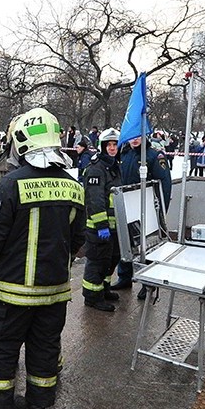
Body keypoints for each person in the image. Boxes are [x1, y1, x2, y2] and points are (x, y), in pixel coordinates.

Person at [0, 107, 85, 409]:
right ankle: (37, 408)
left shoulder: (11, 184)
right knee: (44, 347)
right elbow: (78, 241)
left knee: (0, 347)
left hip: (12, 295)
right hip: (56, 293)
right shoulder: (74, 187)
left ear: (20, 141)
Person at [112, 133, 172, 299]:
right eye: (132, 135)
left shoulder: (154, 156)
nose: (134, 139)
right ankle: (124, 277)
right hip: (126, 205)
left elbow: (164, 185)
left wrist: (160, 212)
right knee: (126, 243)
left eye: (138, 135)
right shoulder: (124, 153)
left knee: (147, 246)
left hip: (146, 208)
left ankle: (148, 283)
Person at [81, 128, 121, 311]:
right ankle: (92, 296)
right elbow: (95, 201)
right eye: (109, 145)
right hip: (99, 227)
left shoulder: (113, 166)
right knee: (97, 262)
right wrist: (102, 226)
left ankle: (103, 289)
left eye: (115, 145)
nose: (112, 148)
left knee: (110, 260)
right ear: (102, 147)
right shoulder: (97, 168)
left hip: (114, 226)